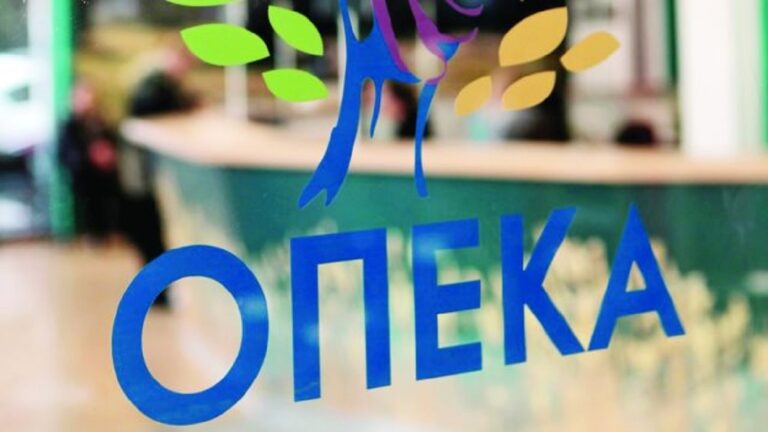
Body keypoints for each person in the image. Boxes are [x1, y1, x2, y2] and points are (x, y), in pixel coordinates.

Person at [121, 44, 198, 307]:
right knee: (150, 237)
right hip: (141, 179)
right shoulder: (154, 87)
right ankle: (156, 293)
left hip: (142, 178)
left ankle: (158, 292)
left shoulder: (161, 86)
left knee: (152, 238)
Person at [59, 82, 120, 241]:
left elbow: (112, 141)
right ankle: (93, 234)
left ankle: (105, 232)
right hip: (84, 176)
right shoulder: (70, 124)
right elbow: (67, 153)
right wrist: (90, 157)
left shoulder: (100, 121)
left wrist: (108, 154)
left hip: (103, 175)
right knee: (89, 206)